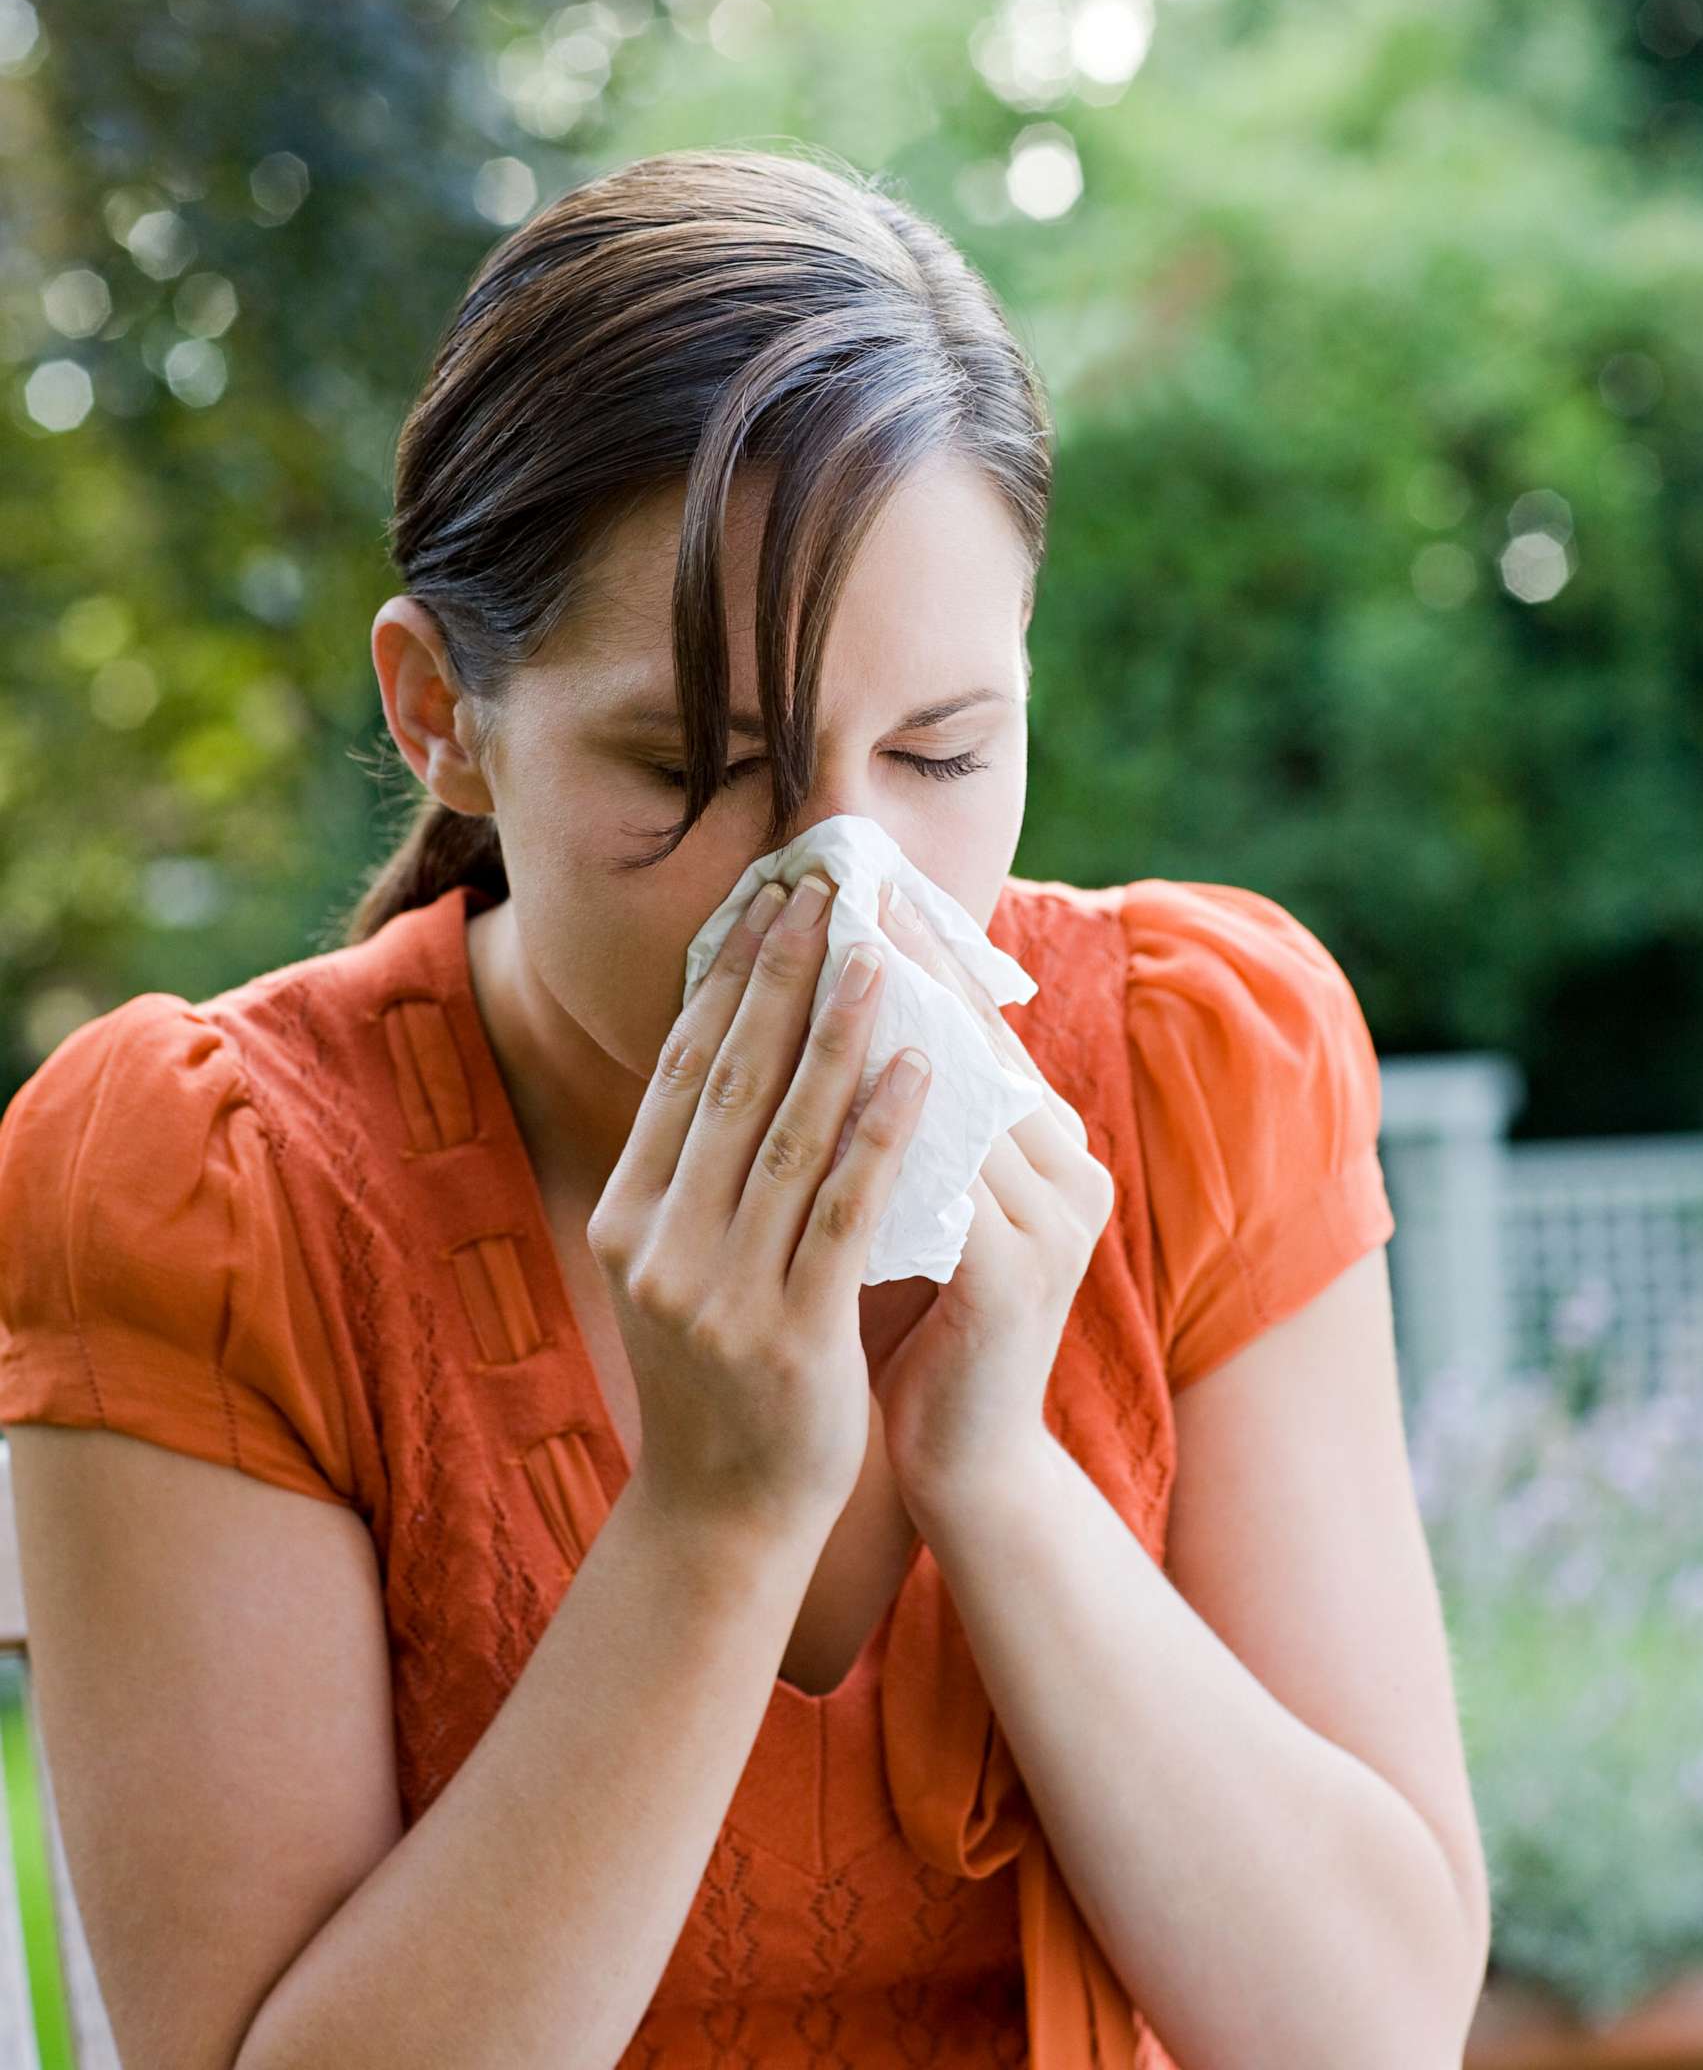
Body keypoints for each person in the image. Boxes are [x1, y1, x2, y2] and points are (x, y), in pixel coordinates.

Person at [0, 144, 1489, 2070]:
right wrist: (718, 1515)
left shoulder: (1202, 1065)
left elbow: (1365, 2029)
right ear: (439, 712)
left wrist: (1003, 1477)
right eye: (698, 766)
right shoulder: (214, 1187)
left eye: (944, 750)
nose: (850, 882)